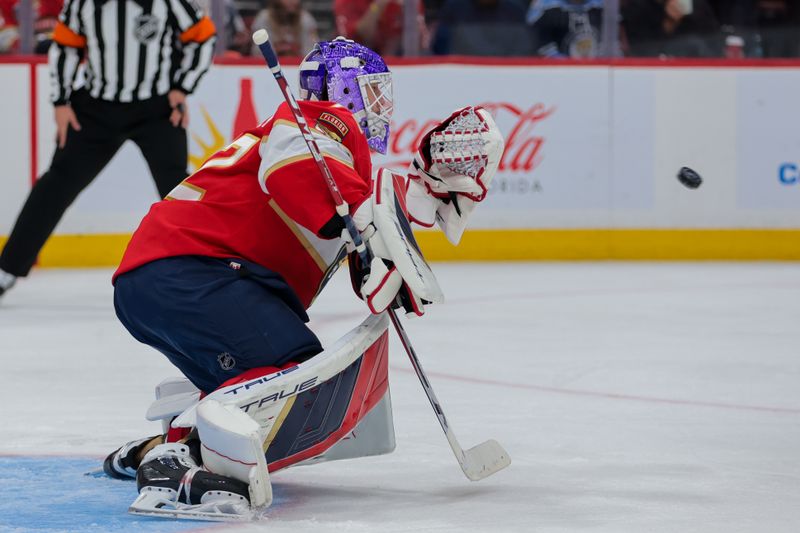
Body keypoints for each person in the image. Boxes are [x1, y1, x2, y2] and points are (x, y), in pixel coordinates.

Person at [101, 37, 504, 519]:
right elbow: (295, 170)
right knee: (292, 379)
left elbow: (359, 229)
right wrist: (368, 228)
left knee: (282, 377)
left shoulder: (338, 166)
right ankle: (172, 464)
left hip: (173, 275)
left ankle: (168, 441)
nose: (380, 106)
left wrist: (393, 253)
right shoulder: (319, 121)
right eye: (371, 92)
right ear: (342, 89)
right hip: (196, 272)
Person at [0, 0, 216, 300]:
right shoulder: (85, 3)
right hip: (96, 108)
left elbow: (203, 38)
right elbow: (65, 47)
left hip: (158, 108)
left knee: (177, 189)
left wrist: (183, 86)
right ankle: (7, 268)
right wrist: (60, 101)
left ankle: (209, 268)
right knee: (58, 182)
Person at [621, 0, 723, 57]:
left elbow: (715, 50)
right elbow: (641, 52)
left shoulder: (697, 6)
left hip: (697, 73)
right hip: (654, 73)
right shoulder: (637, 8)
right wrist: (670, 23)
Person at [431, 0, 532, 56]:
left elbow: (523, 51)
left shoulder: (514, 11)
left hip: (506, 75)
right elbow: (441, 49)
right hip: (463, 75)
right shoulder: (454, 9)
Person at [334, 0, 428, 56]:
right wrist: (378, 5)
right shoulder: (346, 2)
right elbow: (358, 38)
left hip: (397, 57)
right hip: (357, 57)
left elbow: (420, 44)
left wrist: (409, 11)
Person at [528, 0, 604, 58]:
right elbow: (540, 43)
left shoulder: (602, 7)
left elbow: (612, 44)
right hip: (558, 73)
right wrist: (564, 63)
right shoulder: (548, 7)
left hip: (598, 71)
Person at [250, 0, 319, 57]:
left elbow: (312, 51)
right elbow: (258, 52)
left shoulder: (305, 19)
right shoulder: (264, 18)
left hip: (298, 66)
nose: (293, 1)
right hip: (270, 67)